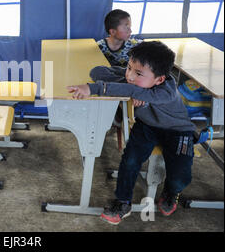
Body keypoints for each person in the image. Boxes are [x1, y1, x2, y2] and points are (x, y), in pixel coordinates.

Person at [67, 41, 196, 225]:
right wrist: (126, 76)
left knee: (180, 174)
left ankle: (172, 191)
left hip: (178, 130)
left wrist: (93, 89)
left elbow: (128, 88)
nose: (130, 76)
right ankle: (123, 202)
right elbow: (97, 71)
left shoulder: (165, 91)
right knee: (130, 160)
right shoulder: (134, 80)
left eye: (138, 73)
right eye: (128, 67)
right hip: (147, 126)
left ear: (159, 79)